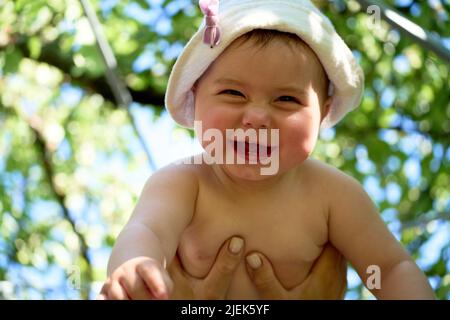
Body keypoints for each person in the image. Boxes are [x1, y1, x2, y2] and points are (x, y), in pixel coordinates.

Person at [99, 0, 435, 299]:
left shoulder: (335, 197)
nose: (257, 117)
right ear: (195, 96)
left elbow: (391, 268)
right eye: (233, 93)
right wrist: (134, 267)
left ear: (324, 111)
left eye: (287, 99)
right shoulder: (184, 183)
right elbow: (147, 231)